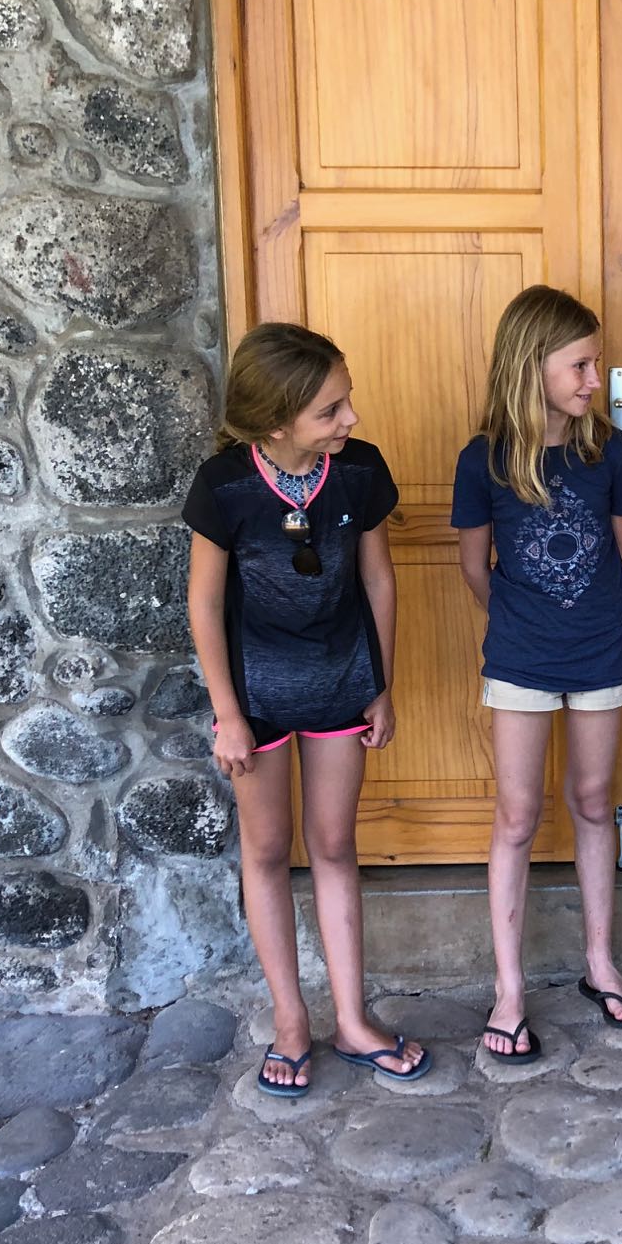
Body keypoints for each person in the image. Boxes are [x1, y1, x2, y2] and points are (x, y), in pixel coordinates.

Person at [184, 322, 429, 1097]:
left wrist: (379, 684)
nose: (350, 418)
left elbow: (379, 580)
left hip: (340, 683)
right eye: (330, 410)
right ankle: (291, 1022)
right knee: (265, 851)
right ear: (274, 424)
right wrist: (227, 714)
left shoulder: (359, 473)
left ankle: (352, 1020)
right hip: (255, 700)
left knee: (332, 843)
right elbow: (204, 603)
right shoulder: (223, 486)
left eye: (346, 400)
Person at [453, 285, 622, 1063]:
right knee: (516, 816)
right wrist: (527, 620)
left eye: (596, 364)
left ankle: (599, 964)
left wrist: (583, 613)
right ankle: (509, 991)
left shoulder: (612, 454)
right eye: (580, 365)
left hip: (600, 650)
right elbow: (475, 568)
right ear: (529, 366)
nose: (595, 379)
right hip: (520, 658)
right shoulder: (484, 461)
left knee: (595, 801)